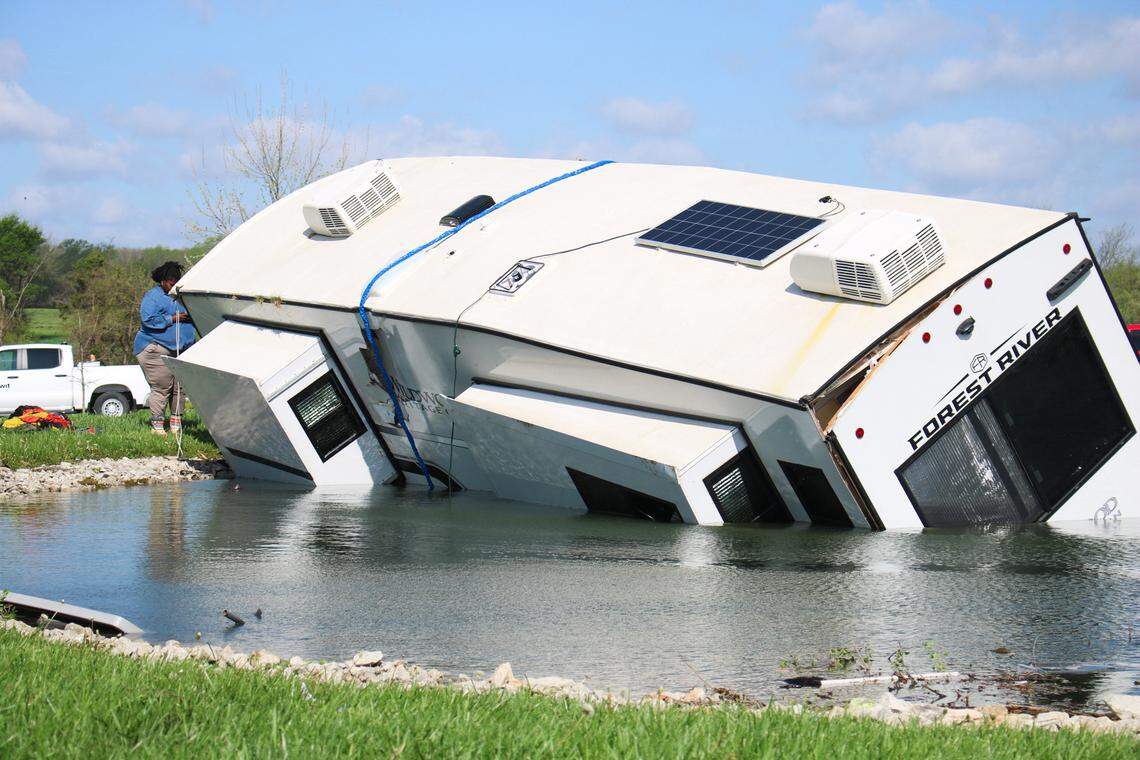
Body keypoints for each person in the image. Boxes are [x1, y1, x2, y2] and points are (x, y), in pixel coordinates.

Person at [134, 261, 196, 435]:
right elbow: (149, 320)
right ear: (162, 281)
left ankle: (176, 425)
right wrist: (174, 319)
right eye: (170, 281)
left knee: (179, 387)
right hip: (155, 348)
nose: (173, 284)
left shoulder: (182, 296)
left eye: (177, 281)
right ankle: (158, 426)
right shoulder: (152, 297)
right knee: (162, 386)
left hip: (181, 349)